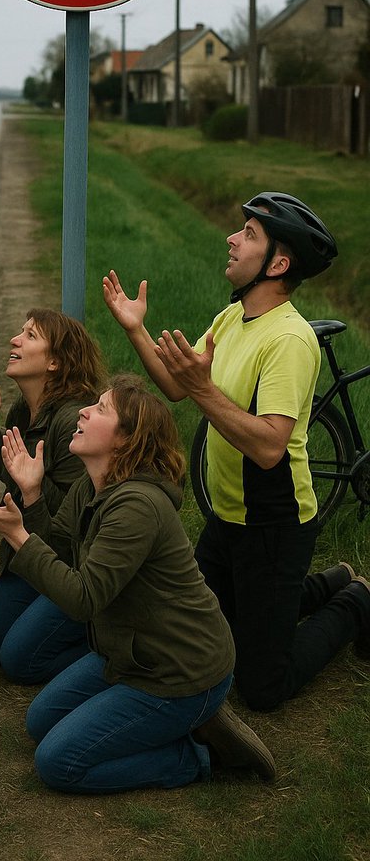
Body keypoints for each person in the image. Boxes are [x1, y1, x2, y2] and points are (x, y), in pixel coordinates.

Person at [103, 191, 370, 712]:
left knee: (262, 686)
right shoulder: (231, 319)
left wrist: (204, 390)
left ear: (278, 263)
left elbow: (269, 447)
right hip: (227, 518)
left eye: (248, 234)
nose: (231, 238)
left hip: (274, 526)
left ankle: (356, 600)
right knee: (199, 633)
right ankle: (328, 582)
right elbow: (177, 386)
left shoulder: (289, 340)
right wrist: (134, 328)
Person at [0, 374, 275, 793]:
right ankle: (187, 723)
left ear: (126, 439)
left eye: (100, 409)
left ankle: (202, 753)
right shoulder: (92, 486)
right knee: (39, 721)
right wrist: (32, 495)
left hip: (177, 670)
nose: (84, 411)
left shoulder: (138, 507)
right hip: (129, 654)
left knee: (58, 763)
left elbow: (83, 599)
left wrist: (18, 536)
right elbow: (59, 553)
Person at [0, 309, 105, 682]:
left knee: (18, 659)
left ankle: (108, 642)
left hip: (72, 564)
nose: (15, 339)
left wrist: (33, 490)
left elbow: (76, 522)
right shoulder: (23, 410)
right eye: (20, 331)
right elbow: (18, 474)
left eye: (30, 335)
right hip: (35, 548)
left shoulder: (73, 421)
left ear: (55, 362)